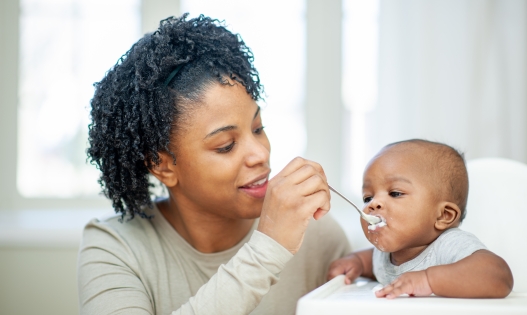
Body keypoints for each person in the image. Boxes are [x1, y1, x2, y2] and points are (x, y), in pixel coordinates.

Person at [78, 14, 351, 315]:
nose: (260, 154)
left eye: (258, 128)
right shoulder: (115, 248)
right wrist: (270, 247)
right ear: (162, 166)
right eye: (226, 146)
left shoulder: (316, 235)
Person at [327, 139, 513, 298]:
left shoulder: (449, 245)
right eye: (368, 197)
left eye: (395, 193)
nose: (373, 204)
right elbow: (370, 260)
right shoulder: (384, 255)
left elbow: (499, 275)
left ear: (443, 215)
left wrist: (428, 280)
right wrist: (355, 263)